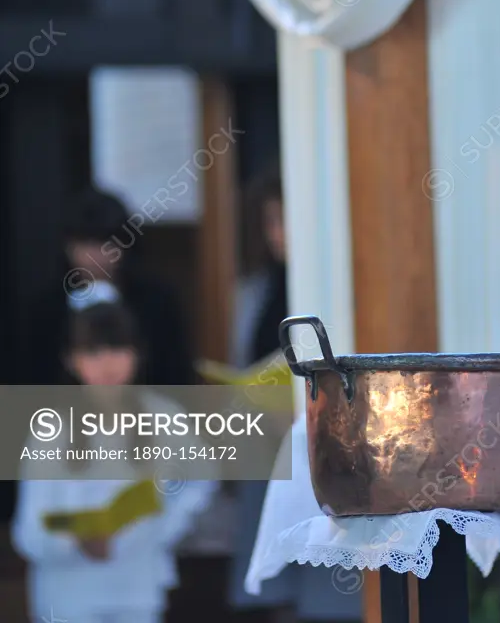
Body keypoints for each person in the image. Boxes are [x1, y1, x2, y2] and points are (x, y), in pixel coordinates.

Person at [12, 281, 216, 623]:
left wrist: (162, 528)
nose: (107, 362)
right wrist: (74, 541)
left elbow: (201, 480)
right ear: (71, 360)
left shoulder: (163, 417)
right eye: (93, 351)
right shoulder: (52, 430)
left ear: (137, 353)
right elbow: (28, 530)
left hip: (137, 588)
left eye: (118, 348)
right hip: (66, 594)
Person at [228, 163, 361, 623]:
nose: (279, 233)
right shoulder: (254, 292)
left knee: (327, 566)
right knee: (274, 580)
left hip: (328, 440)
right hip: (268, 444)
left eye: (287, 219)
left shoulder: (340, 288)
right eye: (270, 221)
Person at [25, 185, 196, 386]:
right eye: (85, 243)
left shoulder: (158, 302)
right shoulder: (47, 310)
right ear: (68, 246)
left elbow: (176, 373)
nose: (96, 255)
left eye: (107, 243)